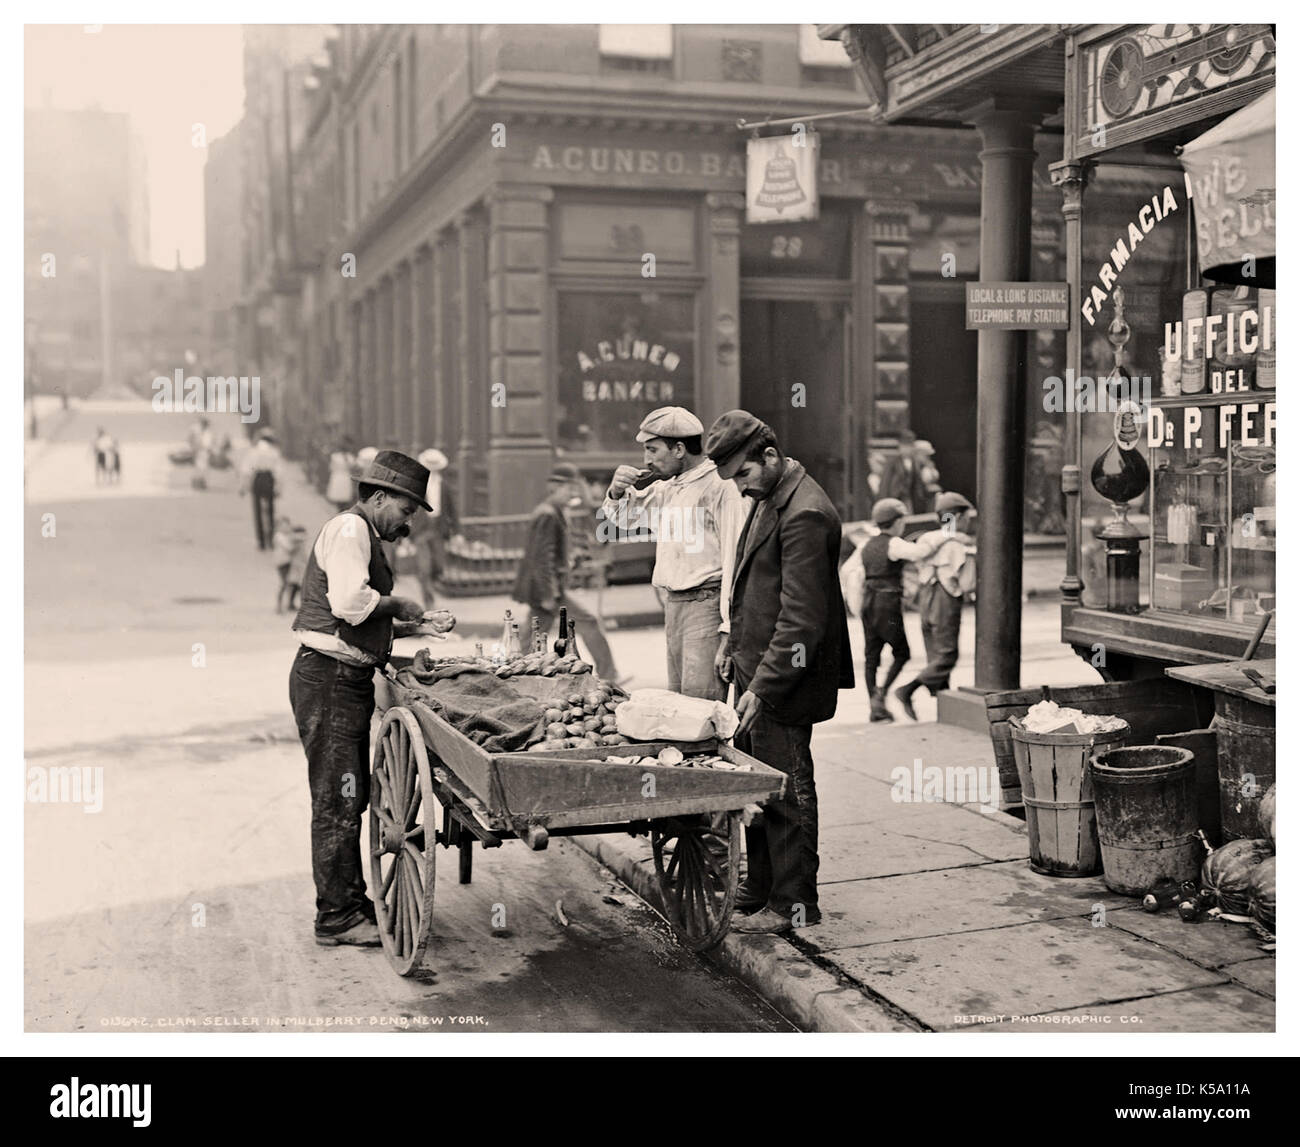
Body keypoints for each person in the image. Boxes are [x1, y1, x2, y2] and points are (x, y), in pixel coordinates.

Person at [289, 450, 455, 947]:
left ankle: (349, 898)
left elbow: (359, 619)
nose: (405, 524)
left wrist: (411, 627)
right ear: (380, 497)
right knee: (338, 800)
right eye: (404, 511)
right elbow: (349, 604)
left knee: (351, 795)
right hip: (328, 680)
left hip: (344, 678)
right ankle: (335, 917)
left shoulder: (364, 535)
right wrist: (402, 604)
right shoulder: (349, 530)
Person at [705, 410, 854, 934]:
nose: (741, 489)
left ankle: (794, 903)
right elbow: (756, 586)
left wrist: (763, 688)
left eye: (744, 475)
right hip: (756, 667)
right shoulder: (772, 495)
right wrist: (732, 644)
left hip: (784, 679)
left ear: (769, 456)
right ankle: (762, 885)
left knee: (788, 789)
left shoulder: (805, 512)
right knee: (758, 784)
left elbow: (801, 619)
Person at [603, 407, 746, 701]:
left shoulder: (720, 487)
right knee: (680, 707)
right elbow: (624, 519)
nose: (646, 460)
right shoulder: (670, 488)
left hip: (706, 605)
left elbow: (736, 558)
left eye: (652, 450)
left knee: (701, 709)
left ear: (679, 449)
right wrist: (616, 491)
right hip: (675, 606)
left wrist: (729, 628)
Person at [512, 462, 619, 683]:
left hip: (546, 587)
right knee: (588, 622)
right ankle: (609, 676)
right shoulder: (548, 514)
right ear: (554, 488)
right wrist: (549, 594)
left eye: (574, 488)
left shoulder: (555, 512)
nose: (573, 493)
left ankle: (514, 674)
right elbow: (541, 559)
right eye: (568, 489)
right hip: (549, 589)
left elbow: (551, 554)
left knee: (532, 635)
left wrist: (573, 558)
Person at [848, 498, 943, 723]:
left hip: (868, 603)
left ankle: (875, 706)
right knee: (902, 653)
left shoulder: (865, 544)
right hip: (887, 603)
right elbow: (919, 553)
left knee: (872, 655)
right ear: (898, 521)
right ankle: (882, 693)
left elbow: (848, 569)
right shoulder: (895, 544)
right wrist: (942, 536)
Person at [893, 492, 977, 720]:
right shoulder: (956, 545)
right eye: (966, 517)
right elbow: (967, 583)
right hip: (944, 599)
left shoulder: (926, 539)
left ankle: (944, 708)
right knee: (947, 655)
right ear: (957, 517)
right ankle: (907, 690)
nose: (968, 522)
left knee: (935, 655)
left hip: (925, 598)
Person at [408, 448, 461, 609]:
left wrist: (457, 532)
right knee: (424, 568)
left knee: (438, 566)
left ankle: (430, 584)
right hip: (421, 530)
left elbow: (453, 509)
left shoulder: (444, 485)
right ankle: (428, 601)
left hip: (439, 529)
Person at [240, 429, 283, 550]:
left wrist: (244, 486)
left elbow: (247, 470)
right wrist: (278, 487)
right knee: (270, 509)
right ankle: (271, 538)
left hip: (258, 478)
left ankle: (261, 541)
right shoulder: (274, 452)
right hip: (269, 478)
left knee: (257, 510)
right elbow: (278, 472)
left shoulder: (253, 452)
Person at [877, 430, 932, 514]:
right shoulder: (892, 463)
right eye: (904, 446)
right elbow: (885, 483)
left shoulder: (916, 463)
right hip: (896, 498)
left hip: (911, 500)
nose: (907, 449)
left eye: (909, 446)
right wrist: (884, 503)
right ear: (900, 447)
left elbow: (919, 482)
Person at [326, 438, 357, 511]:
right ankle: (342, 509)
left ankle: (340, 509)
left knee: (339, 496)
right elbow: (353, 467)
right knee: (344, 496)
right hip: (345, 477)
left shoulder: (334, 456)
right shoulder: (350, 457)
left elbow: (331, 468)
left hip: (337, 476)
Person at [272, 516, 295, 612]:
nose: (286, 528)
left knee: (288, 582)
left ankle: (288, 603)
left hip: (287, 561)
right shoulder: (279, 536)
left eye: (287, 525)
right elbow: (289, 547)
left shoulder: (286, 536)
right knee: (284, 583)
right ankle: (279, 605)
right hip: (282, 562)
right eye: (284, 526)